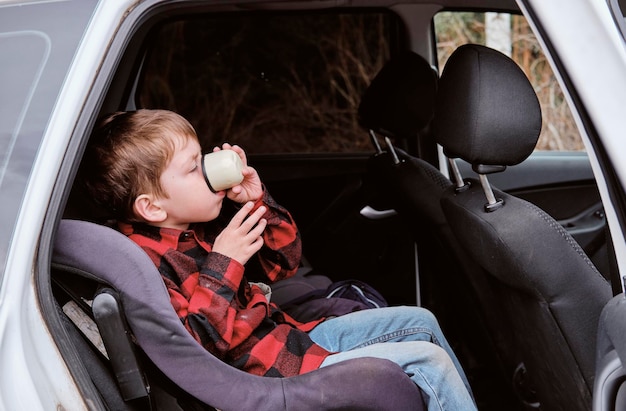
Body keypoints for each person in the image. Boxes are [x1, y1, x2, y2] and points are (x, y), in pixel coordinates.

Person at [82, 108, 476, 411]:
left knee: (420, 321)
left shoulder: (189, 232)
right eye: (191, 167)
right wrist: (225, 262)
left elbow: (282, 262)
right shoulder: (146, 264)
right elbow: (194, 350)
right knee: (429, 362)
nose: (206, 169)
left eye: (202, 157)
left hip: (285, 340)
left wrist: (255, 199)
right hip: (266, 374)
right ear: (151, 208)